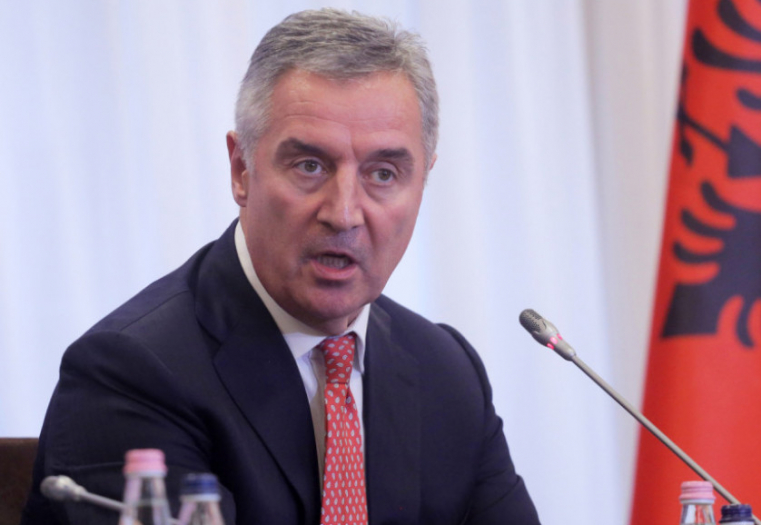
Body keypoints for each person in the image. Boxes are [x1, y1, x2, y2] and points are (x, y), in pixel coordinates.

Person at [21, 9, 539, 525]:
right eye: (310, 166)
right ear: (241, 170)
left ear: (423, 181)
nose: (344, 213)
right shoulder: (133, 374)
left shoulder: (446, 372)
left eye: (383, 173)